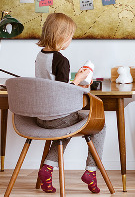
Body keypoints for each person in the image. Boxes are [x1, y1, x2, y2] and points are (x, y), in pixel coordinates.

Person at [35, 13, 105, 194]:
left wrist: (75, 80)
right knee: (100, 125)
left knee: (65, 129)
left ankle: (47, 169)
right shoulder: (61, 60)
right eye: (70, 36)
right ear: (62, 36)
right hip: (58, 117)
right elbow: (63, 91)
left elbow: (52, 85)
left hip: (41, 117)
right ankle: (91, 171)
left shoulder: (40, 56)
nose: (70, 40)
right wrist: (80, 79)